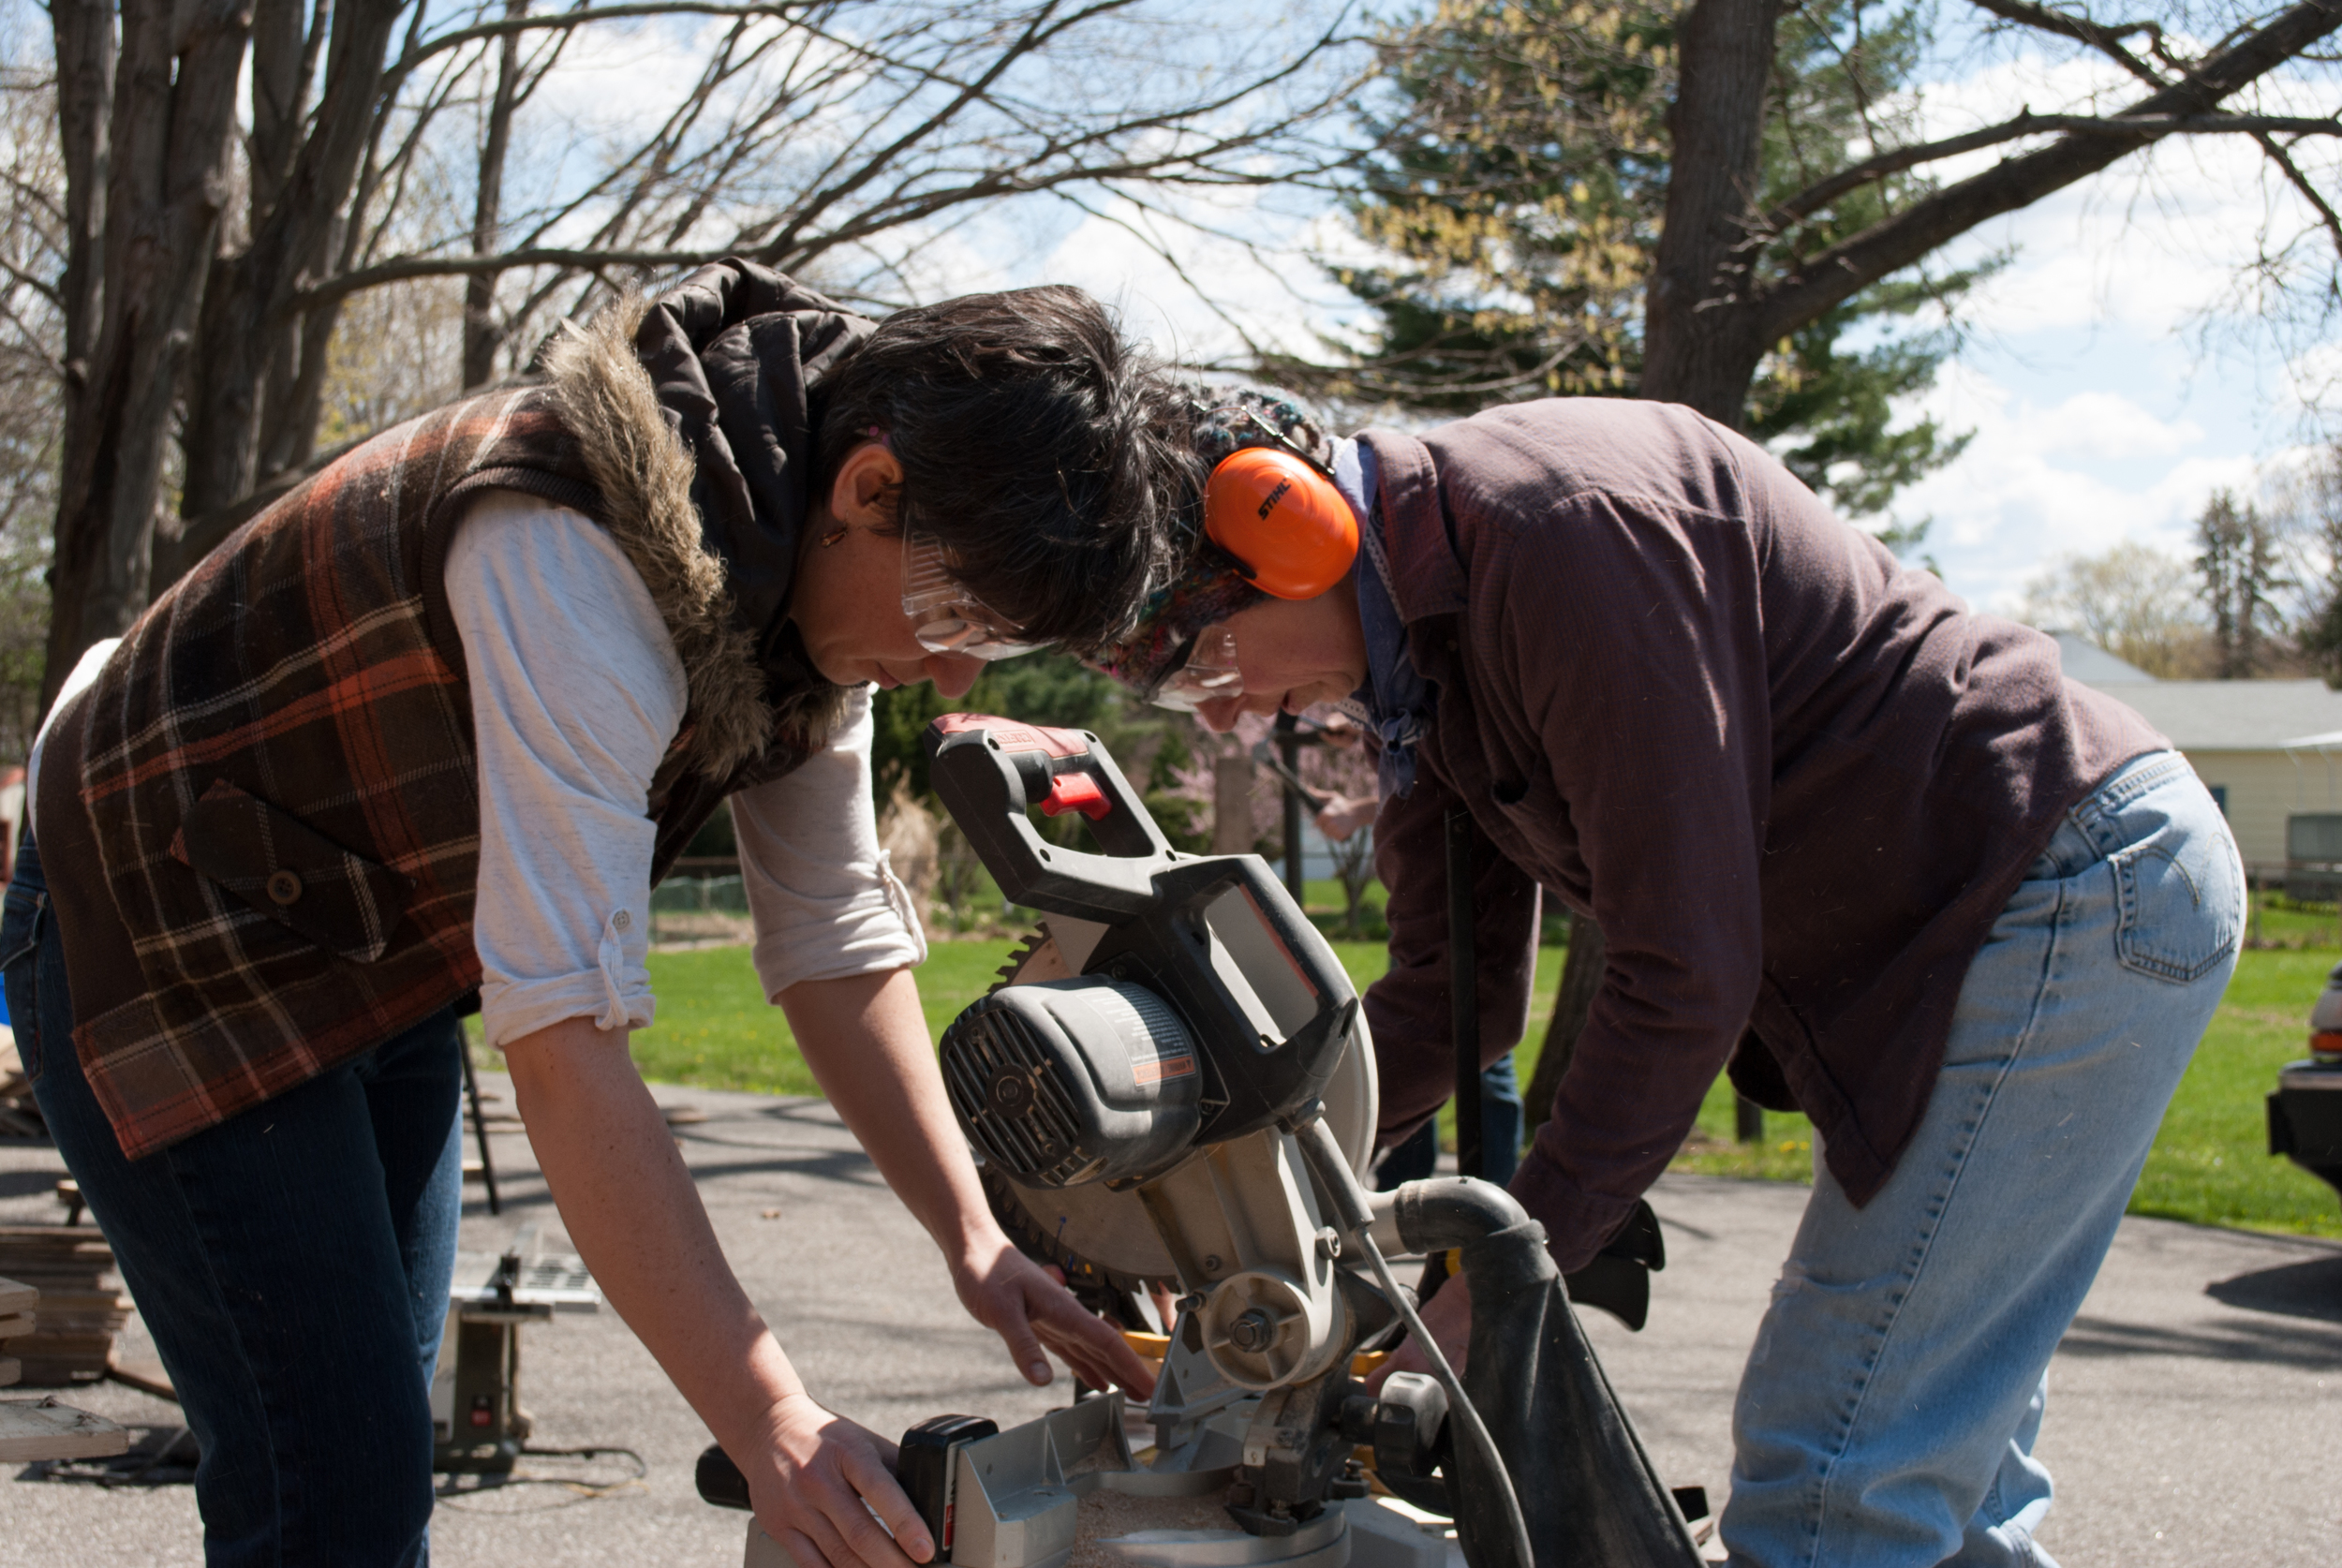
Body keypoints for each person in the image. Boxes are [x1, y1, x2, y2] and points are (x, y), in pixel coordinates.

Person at [2, 261, 1183, 1567]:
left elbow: (832, 929)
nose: (952, 670)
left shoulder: (807, 558)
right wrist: (772, 1418)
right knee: (327, 1481)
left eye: (995, 646)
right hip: (155, 908)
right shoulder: (574, 554)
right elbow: (567, 1044)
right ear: (867, 485)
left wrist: (979, 1235)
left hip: (362, 933)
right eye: (958, 614)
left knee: (377, 1447)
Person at [1091, 390, 2241, 1567]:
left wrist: (1502, 1273)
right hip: (2007, 913)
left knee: (1830, 1483)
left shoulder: (1563, 537)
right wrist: (1220, 1187)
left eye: (1200, 663)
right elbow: (1453, 992)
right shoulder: (1424, 653)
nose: (1223, 716)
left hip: (2062, 884)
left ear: (1292, 532)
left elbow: (1684, 971)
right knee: (1937, 1498)